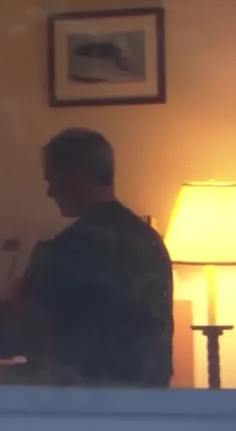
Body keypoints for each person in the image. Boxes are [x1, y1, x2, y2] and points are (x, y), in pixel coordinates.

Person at [21, 128, 174, 387]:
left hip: (89, 396)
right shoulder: (149, 239)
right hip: (148, 398)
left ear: (75, 175)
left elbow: (34, 327)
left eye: (52, 179)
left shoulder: (75, 243)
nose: (50, 192)